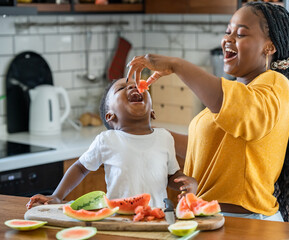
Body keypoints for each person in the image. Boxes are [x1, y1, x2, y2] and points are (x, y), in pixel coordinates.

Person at [127, 2, 289, 223]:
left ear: (269, 47)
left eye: (241, 34)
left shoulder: (274, 84)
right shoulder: (240, 91)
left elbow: (239, 109)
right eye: (228, 32)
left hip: (247, 225)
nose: (228, 39)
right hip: (212, 219)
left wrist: (177, 65)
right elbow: (209, 150)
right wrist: (147, 134)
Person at [26, 78, 198, 209]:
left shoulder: (165, 137)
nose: (133, 86)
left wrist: (186, 182)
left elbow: (170, 175)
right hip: (117, 217)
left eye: (138, 85)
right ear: (110, 116)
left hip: (156, 217)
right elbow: (80, 167)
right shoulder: (107, 139)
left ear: (152, 111)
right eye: (121, 88)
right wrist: (57, 196)